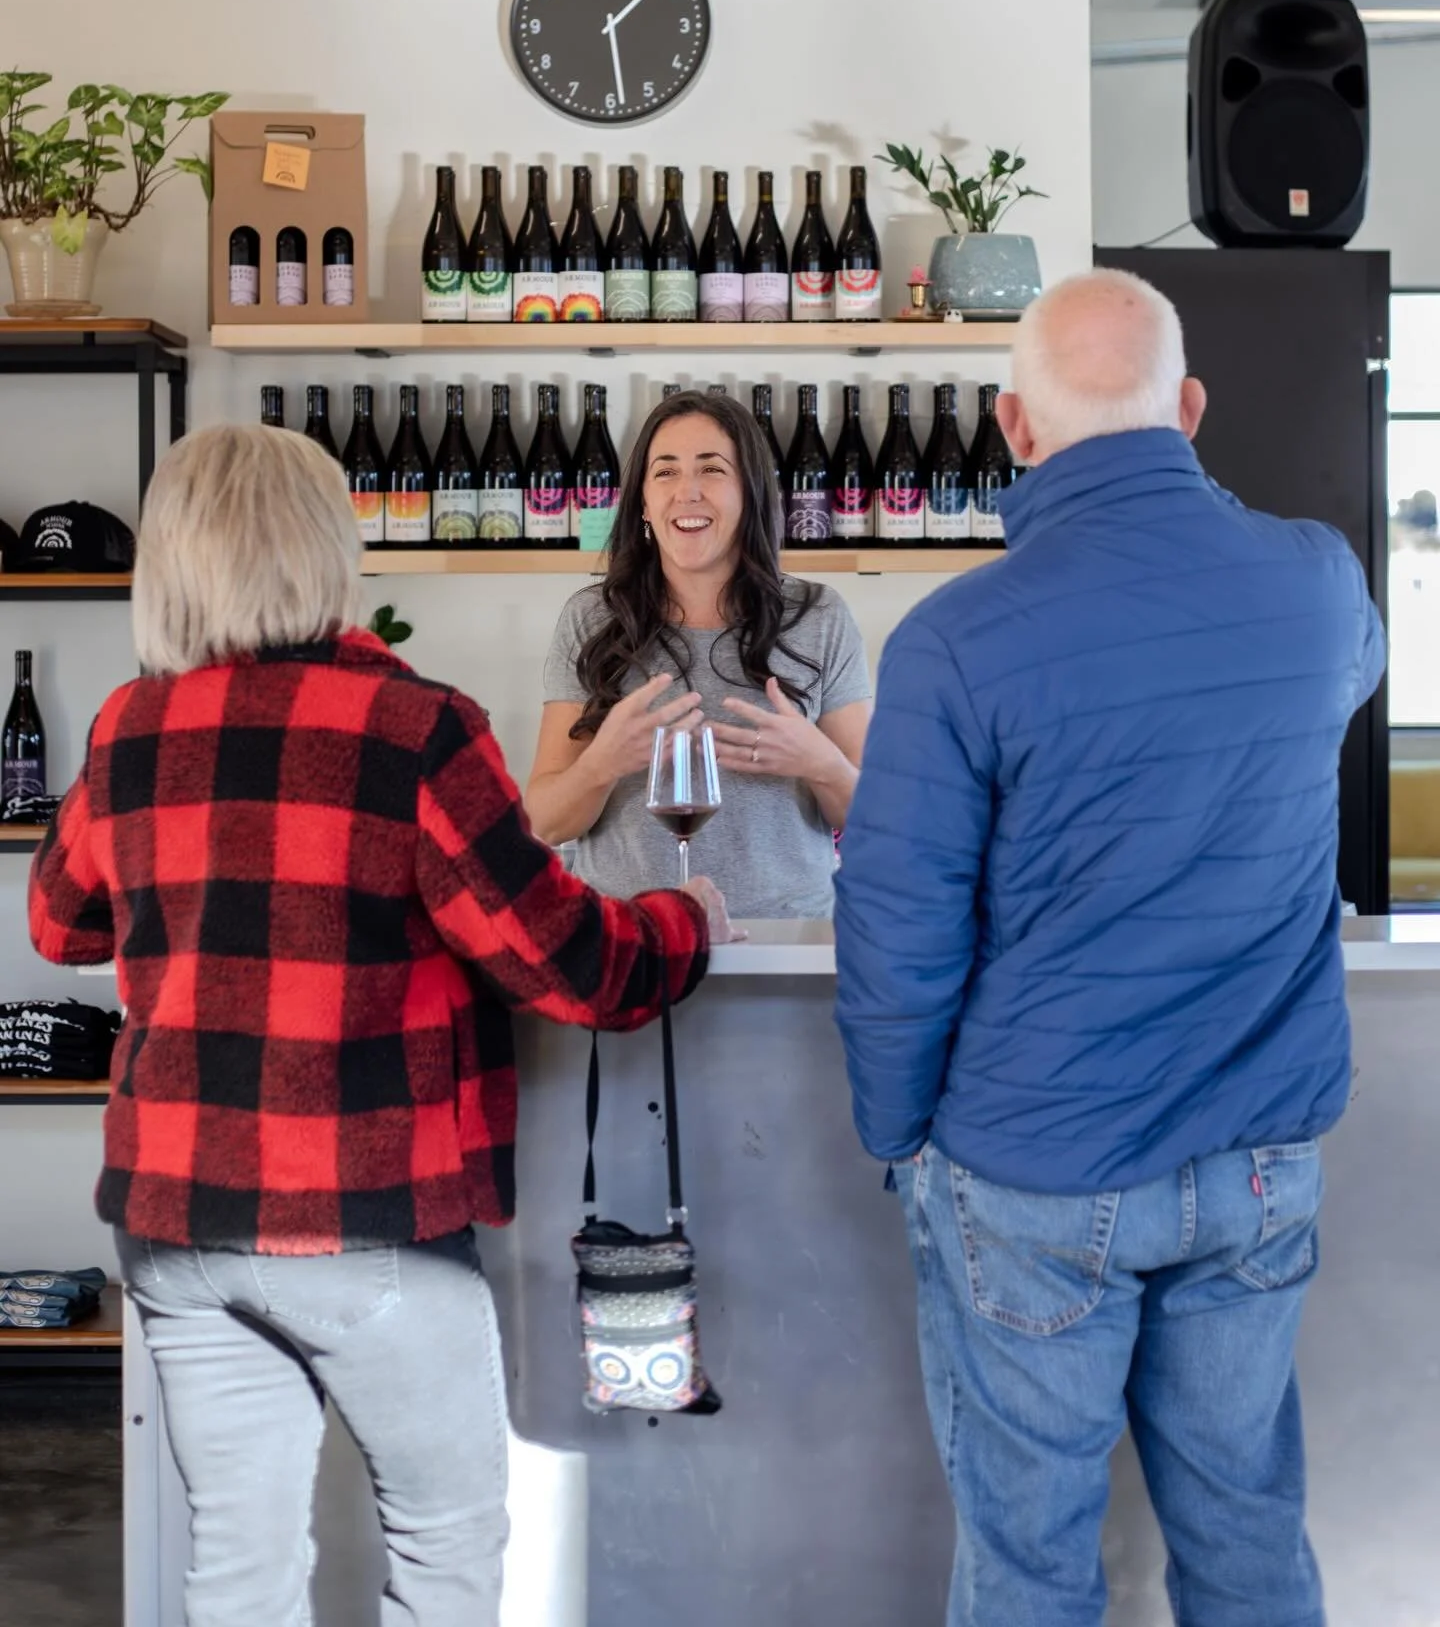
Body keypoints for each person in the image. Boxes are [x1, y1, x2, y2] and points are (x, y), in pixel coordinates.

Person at [28, 425, 736, 1627]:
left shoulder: (127, 728)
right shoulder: (415, 730)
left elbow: (60, 924)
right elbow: (564, 963)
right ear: (325, 547)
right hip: (370, 1220)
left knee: (239, 1567)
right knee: (445, 1546)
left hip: (181, 1227)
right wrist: (686, 922)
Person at [834, 270, 1385, 1627]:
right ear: (1191, 409)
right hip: (1257, 1163)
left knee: (1029, 1565)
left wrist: (899, 1135)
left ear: (1012, 427)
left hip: (1030, 1175)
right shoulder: (1318, 586)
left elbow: (896, 929)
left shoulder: (958, 642)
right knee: (1248, 1533)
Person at [527, 390, 872, 918]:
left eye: (712, 469)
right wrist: (602, 764)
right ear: (642, 500)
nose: (687, 492)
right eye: (664, 472)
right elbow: (544, 822)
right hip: (627, 945)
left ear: (750, 491)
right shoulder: (592, 619)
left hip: (785, 947)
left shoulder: (819, 616)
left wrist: (819, 763)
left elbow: (879, 814)